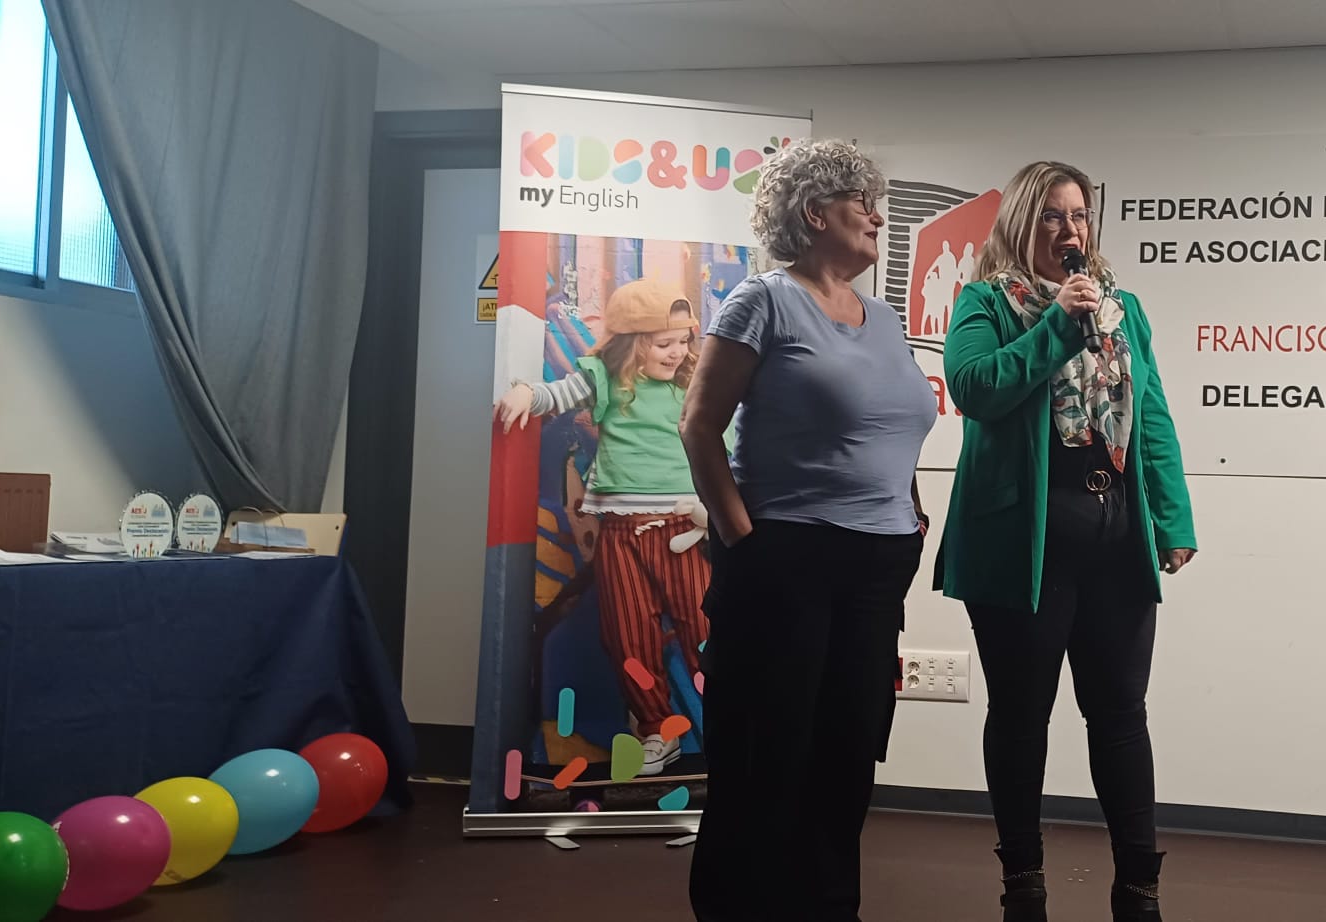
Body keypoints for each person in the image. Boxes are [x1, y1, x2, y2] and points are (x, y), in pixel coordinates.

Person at [680, 138, 937, 922]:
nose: (879, 218)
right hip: (786, 557)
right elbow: (699, 426)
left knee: (847, 756)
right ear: (816, 213)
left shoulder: (885, 319)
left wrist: (910, 511)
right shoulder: (762, 301)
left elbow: (894, 426)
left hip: (877, 565)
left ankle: (829, 909)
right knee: (766, 755)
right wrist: (745, 540)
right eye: (864, 204)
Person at [934, 161, 1197, 922]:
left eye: (1079, 216)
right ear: (1023, 222)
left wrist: (1173, 518)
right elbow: (975, 389)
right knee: (1021, 715)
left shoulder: (1123, 308)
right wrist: (1055, 325)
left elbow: (1151, 416)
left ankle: (1139, 885)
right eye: (1052, 215)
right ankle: (1023, 880)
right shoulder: (987, 301)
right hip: (1023, 540)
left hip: (1115, 536)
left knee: (1121, 714)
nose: (1069, 230)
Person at [493, 278, 719, 775]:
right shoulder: (604, 379)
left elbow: (724, 440)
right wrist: (527, 392)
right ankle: (657, 731)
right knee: (627, 634)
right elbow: (557, 395)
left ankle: (733, 725)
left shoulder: (693, 382)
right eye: (664, 343)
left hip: (681, 528)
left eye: (683, 341)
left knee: (705, 629)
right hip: (619, 531)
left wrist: (716, 510)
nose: (677, 352)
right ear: (632, 345)